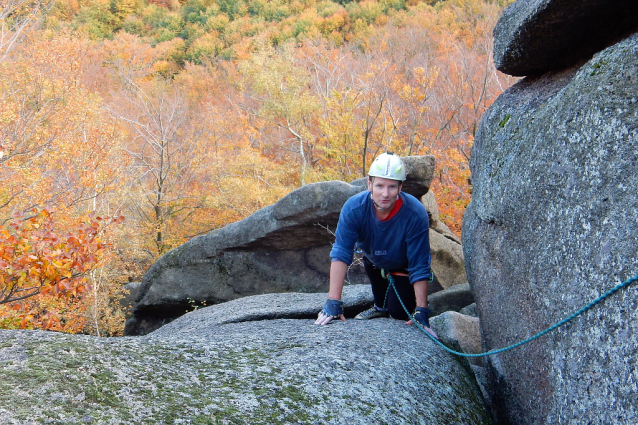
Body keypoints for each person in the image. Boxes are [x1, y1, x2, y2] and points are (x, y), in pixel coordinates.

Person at [314, 152, 437, 337]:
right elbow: (341, 252)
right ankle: (379, 306)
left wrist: (422, 311)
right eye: (379, 186)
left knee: (398, 313)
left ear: (400, 187)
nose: (385, 194)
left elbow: (419, 262)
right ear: (369, 184)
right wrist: (333, 302)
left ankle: (391, 305)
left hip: (404, 266)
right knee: (375, 269)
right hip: (374, 261)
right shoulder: (355, 208)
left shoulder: (414, 213)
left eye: (392, 187)